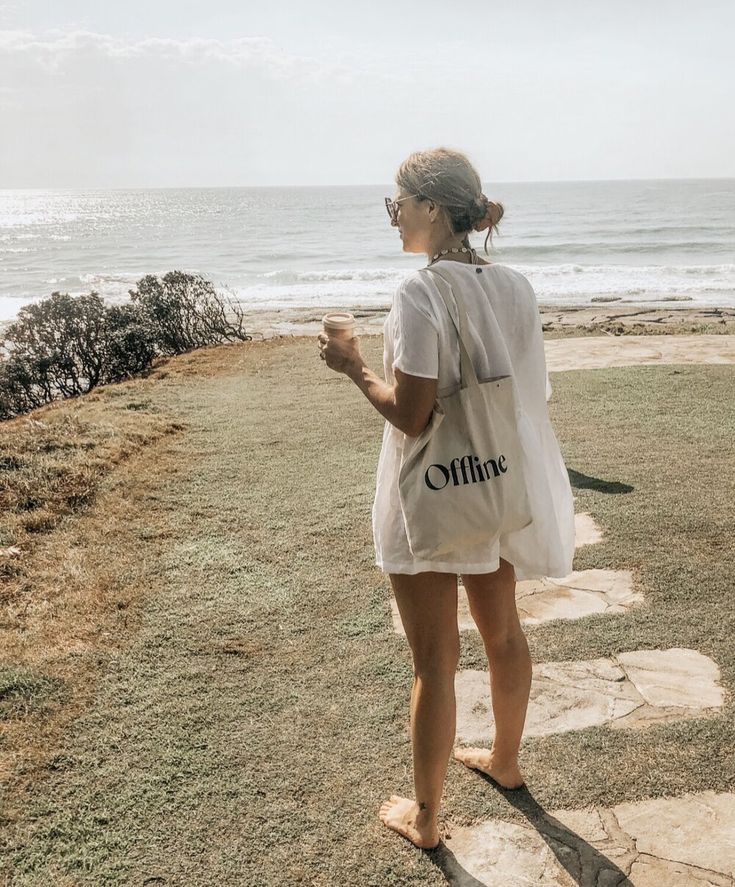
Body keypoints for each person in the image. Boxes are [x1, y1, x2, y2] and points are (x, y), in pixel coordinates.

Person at [317, 147, 575, 851]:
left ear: (431, 207)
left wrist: (353, 366)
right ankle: (506, 759)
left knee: (433, 661)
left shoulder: (418, 292)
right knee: (503, 632)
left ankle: (426, 819)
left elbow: (410, 414)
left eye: (395, 201)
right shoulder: (515, 285)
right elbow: (529, 395)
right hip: (493, 482)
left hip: (432, 495)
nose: (392, 214)